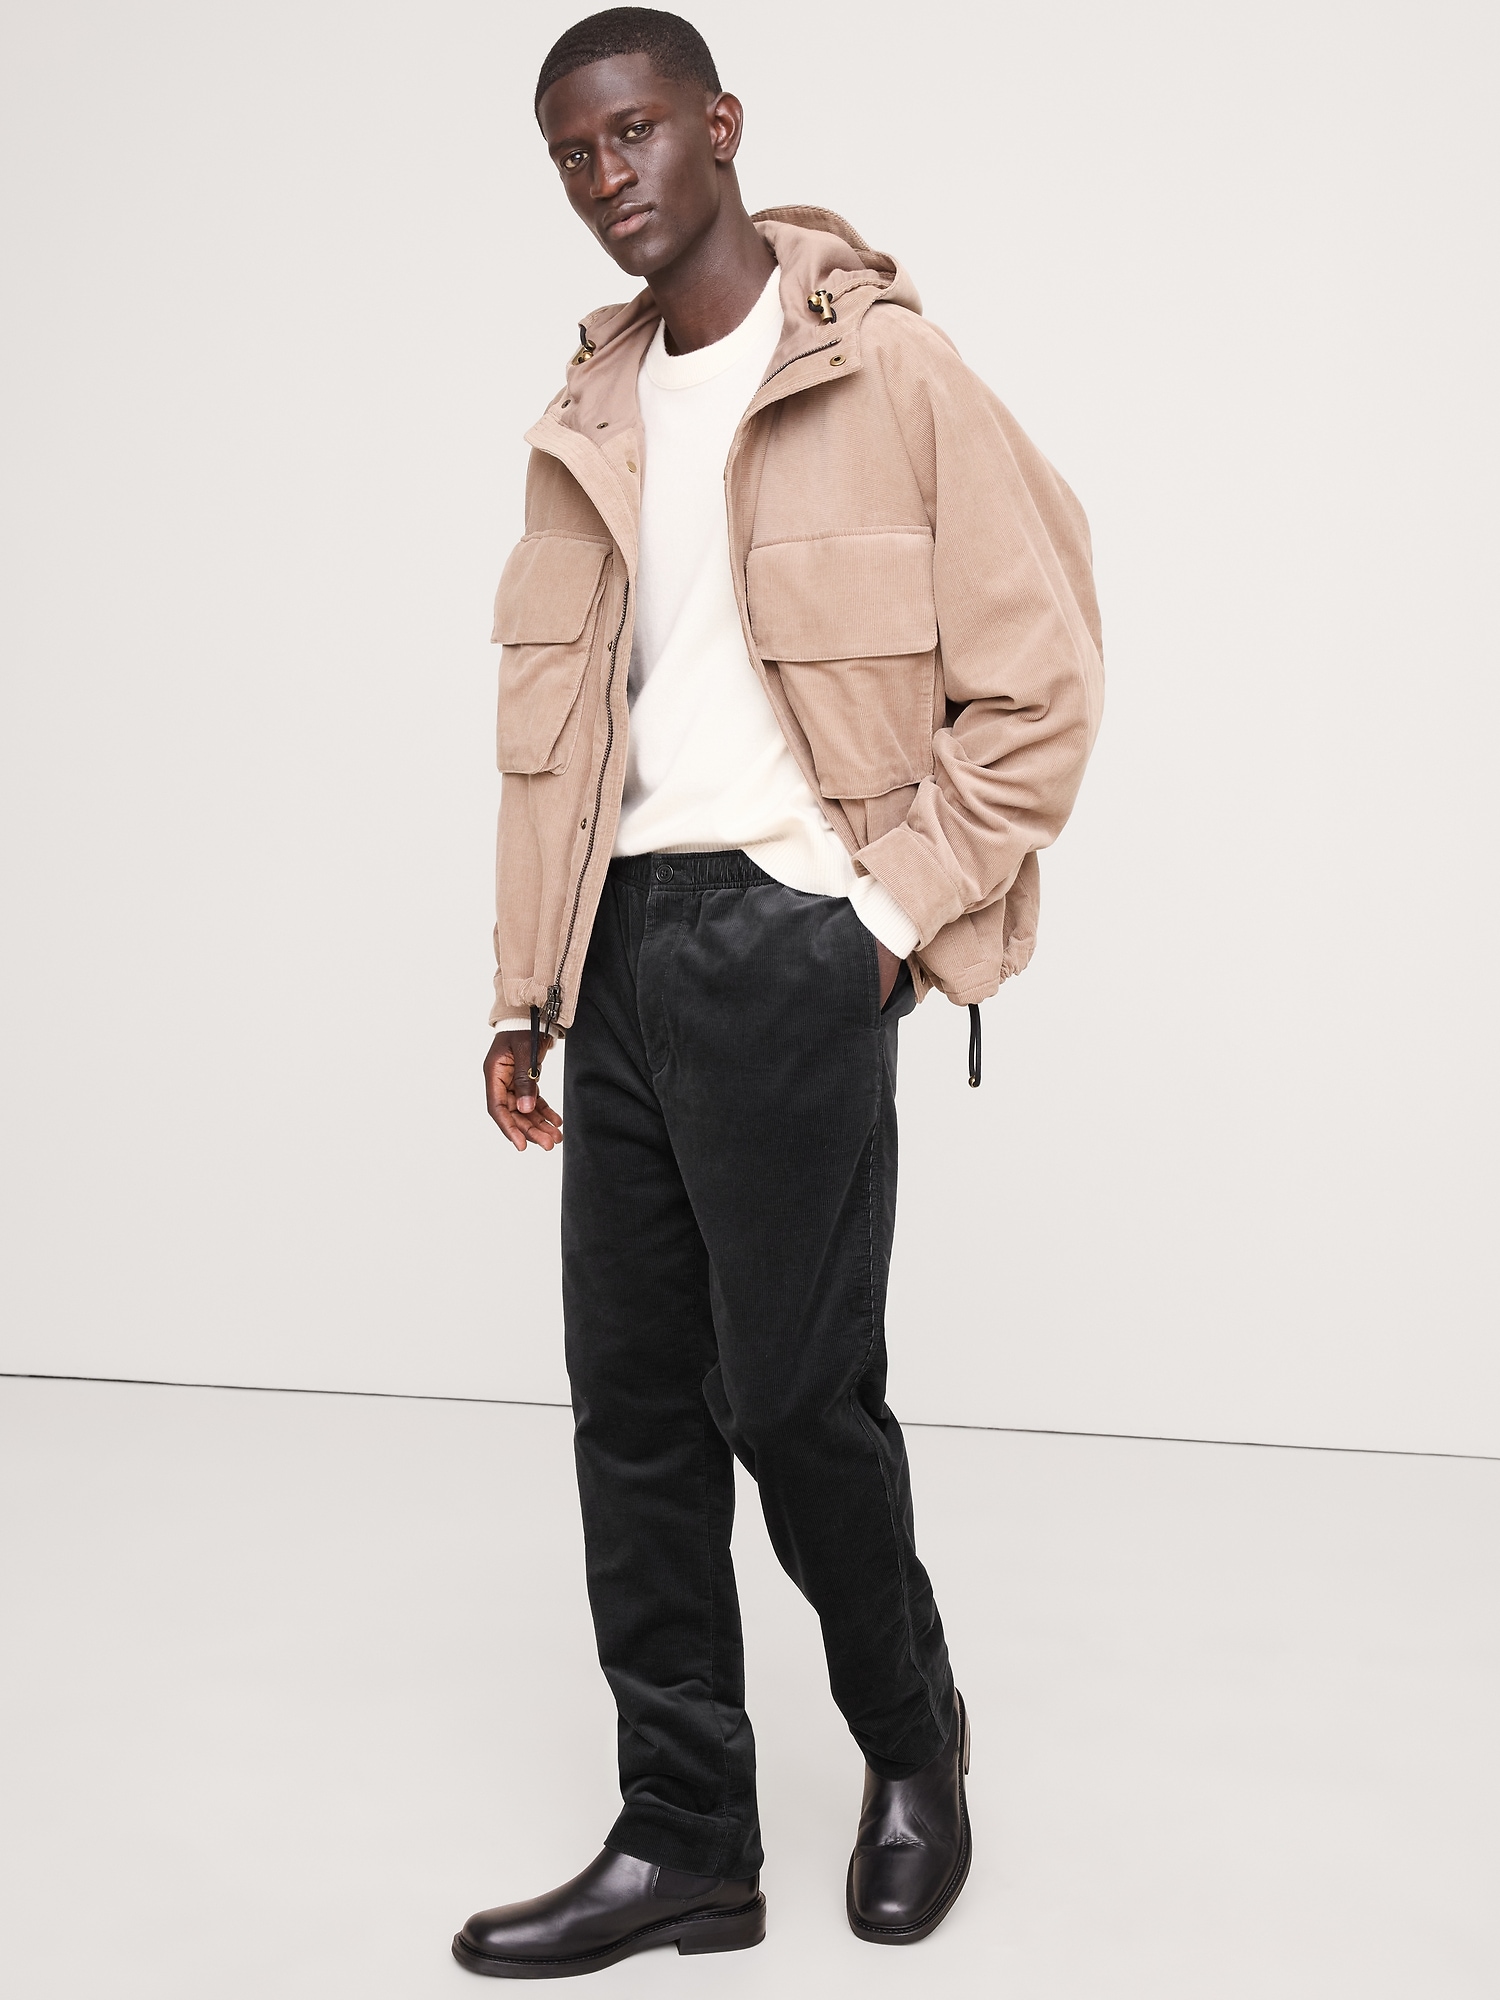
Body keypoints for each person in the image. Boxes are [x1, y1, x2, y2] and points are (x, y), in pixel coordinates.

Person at [453, 7, 1103, 1978]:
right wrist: (527, 985)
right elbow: (565, 732)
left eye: (635, 132)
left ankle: (913, 1743)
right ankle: (684, 1840)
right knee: (634, 1413)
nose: (609, 179)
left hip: (791, 944)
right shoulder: (591, 409)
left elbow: (1043, 682)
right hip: (620, 952)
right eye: (574, 156)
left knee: (794, 1399)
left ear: (721, 125)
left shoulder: (885, 369)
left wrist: (882, 917)